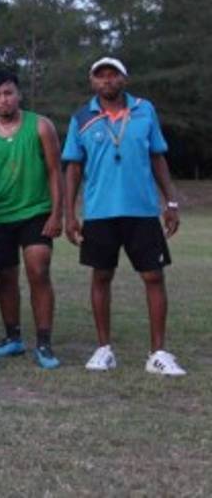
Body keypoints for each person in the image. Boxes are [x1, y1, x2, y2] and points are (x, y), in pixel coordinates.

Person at [62, 57, 185, 376]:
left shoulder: (145, 110)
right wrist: (69, 214)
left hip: (142, 210)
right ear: (92, 82)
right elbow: (73, 168)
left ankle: (158, 352)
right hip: (100, 211)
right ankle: (104, 349)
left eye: (113, 75)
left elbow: (157, 157)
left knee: (153, 277)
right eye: (100, 76)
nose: (107, 81)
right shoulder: (81, 117)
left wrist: (170, 203)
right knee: (101, 276)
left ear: (124, 80)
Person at [0, 69, 63, 370]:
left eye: (8, 93)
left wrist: (56, 213)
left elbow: (54, 172)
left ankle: (45, 342)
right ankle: (13, 338)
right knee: (6, 277)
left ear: (18, 94)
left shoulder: (41, 126)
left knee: (38, 269)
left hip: (35, 212)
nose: (3, 99)